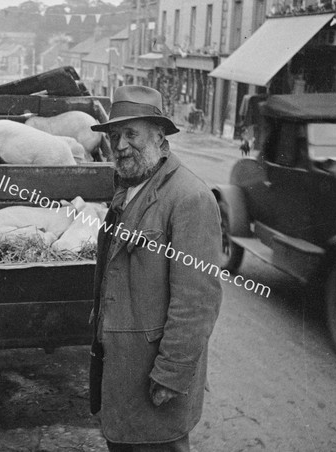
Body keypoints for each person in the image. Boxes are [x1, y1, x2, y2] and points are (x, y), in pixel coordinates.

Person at [89, 85, 222, 452]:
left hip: (154, 379)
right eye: (115, 136)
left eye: (131, 134)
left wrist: (171, 375)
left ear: (161, 139)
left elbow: (197, 302)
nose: (120, 145)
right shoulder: (129, 186)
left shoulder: (190, 198)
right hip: (124, 371)